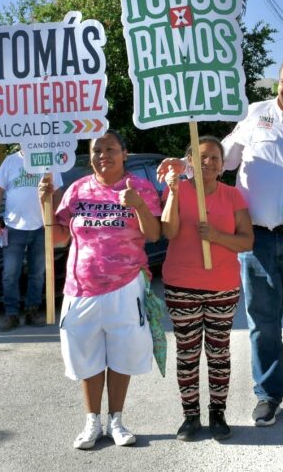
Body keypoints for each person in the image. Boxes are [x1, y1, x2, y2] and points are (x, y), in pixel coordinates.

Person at [158, 54, 283, 427]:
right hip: (256, 238)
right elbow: (221, 159)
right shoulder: (255, 114)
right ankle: (268, 395)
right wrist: (186, 165)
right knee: (262, 321)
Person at [39, 131, 162, 450]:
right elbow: (59, 239)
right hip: (80, 287)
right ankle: (92, 421)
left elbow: (153, 234)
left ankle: (117, 420)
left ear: (124, 153)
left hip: (126, 285)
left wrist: (137, 206)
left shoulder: (140, 187)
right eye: (97, 150)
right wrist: (47, 205)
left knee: (122, 353)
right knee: (86, 355)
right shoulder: (77, 190)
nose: (103, 155)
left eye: (110, 149)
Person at [160, 136, 253, 442]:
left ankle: (217, 412)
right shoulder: (178, 190)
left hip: (222, 286)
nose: (208, 162)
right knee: (187, 353)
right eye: (201, 157)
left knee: (218, 352)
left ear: (223, 164)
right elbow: (169, 231)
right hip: (181, 285)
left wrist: (215, 236)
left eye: (214, 157)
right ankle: (189, 416)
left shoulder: (232, 196)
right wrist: (173, 193)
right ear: (190, 162)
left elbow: (246, 241)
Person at [0, 149, 63, 331]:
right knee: (10, 274)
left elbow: (58, 191)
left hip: (41, 226)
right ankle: (11, 314)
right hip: (14, 228)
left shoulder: (48, 159)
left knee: (37, 273)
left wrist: (61, 217)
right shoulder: (10, 161)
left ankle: (32, 311)